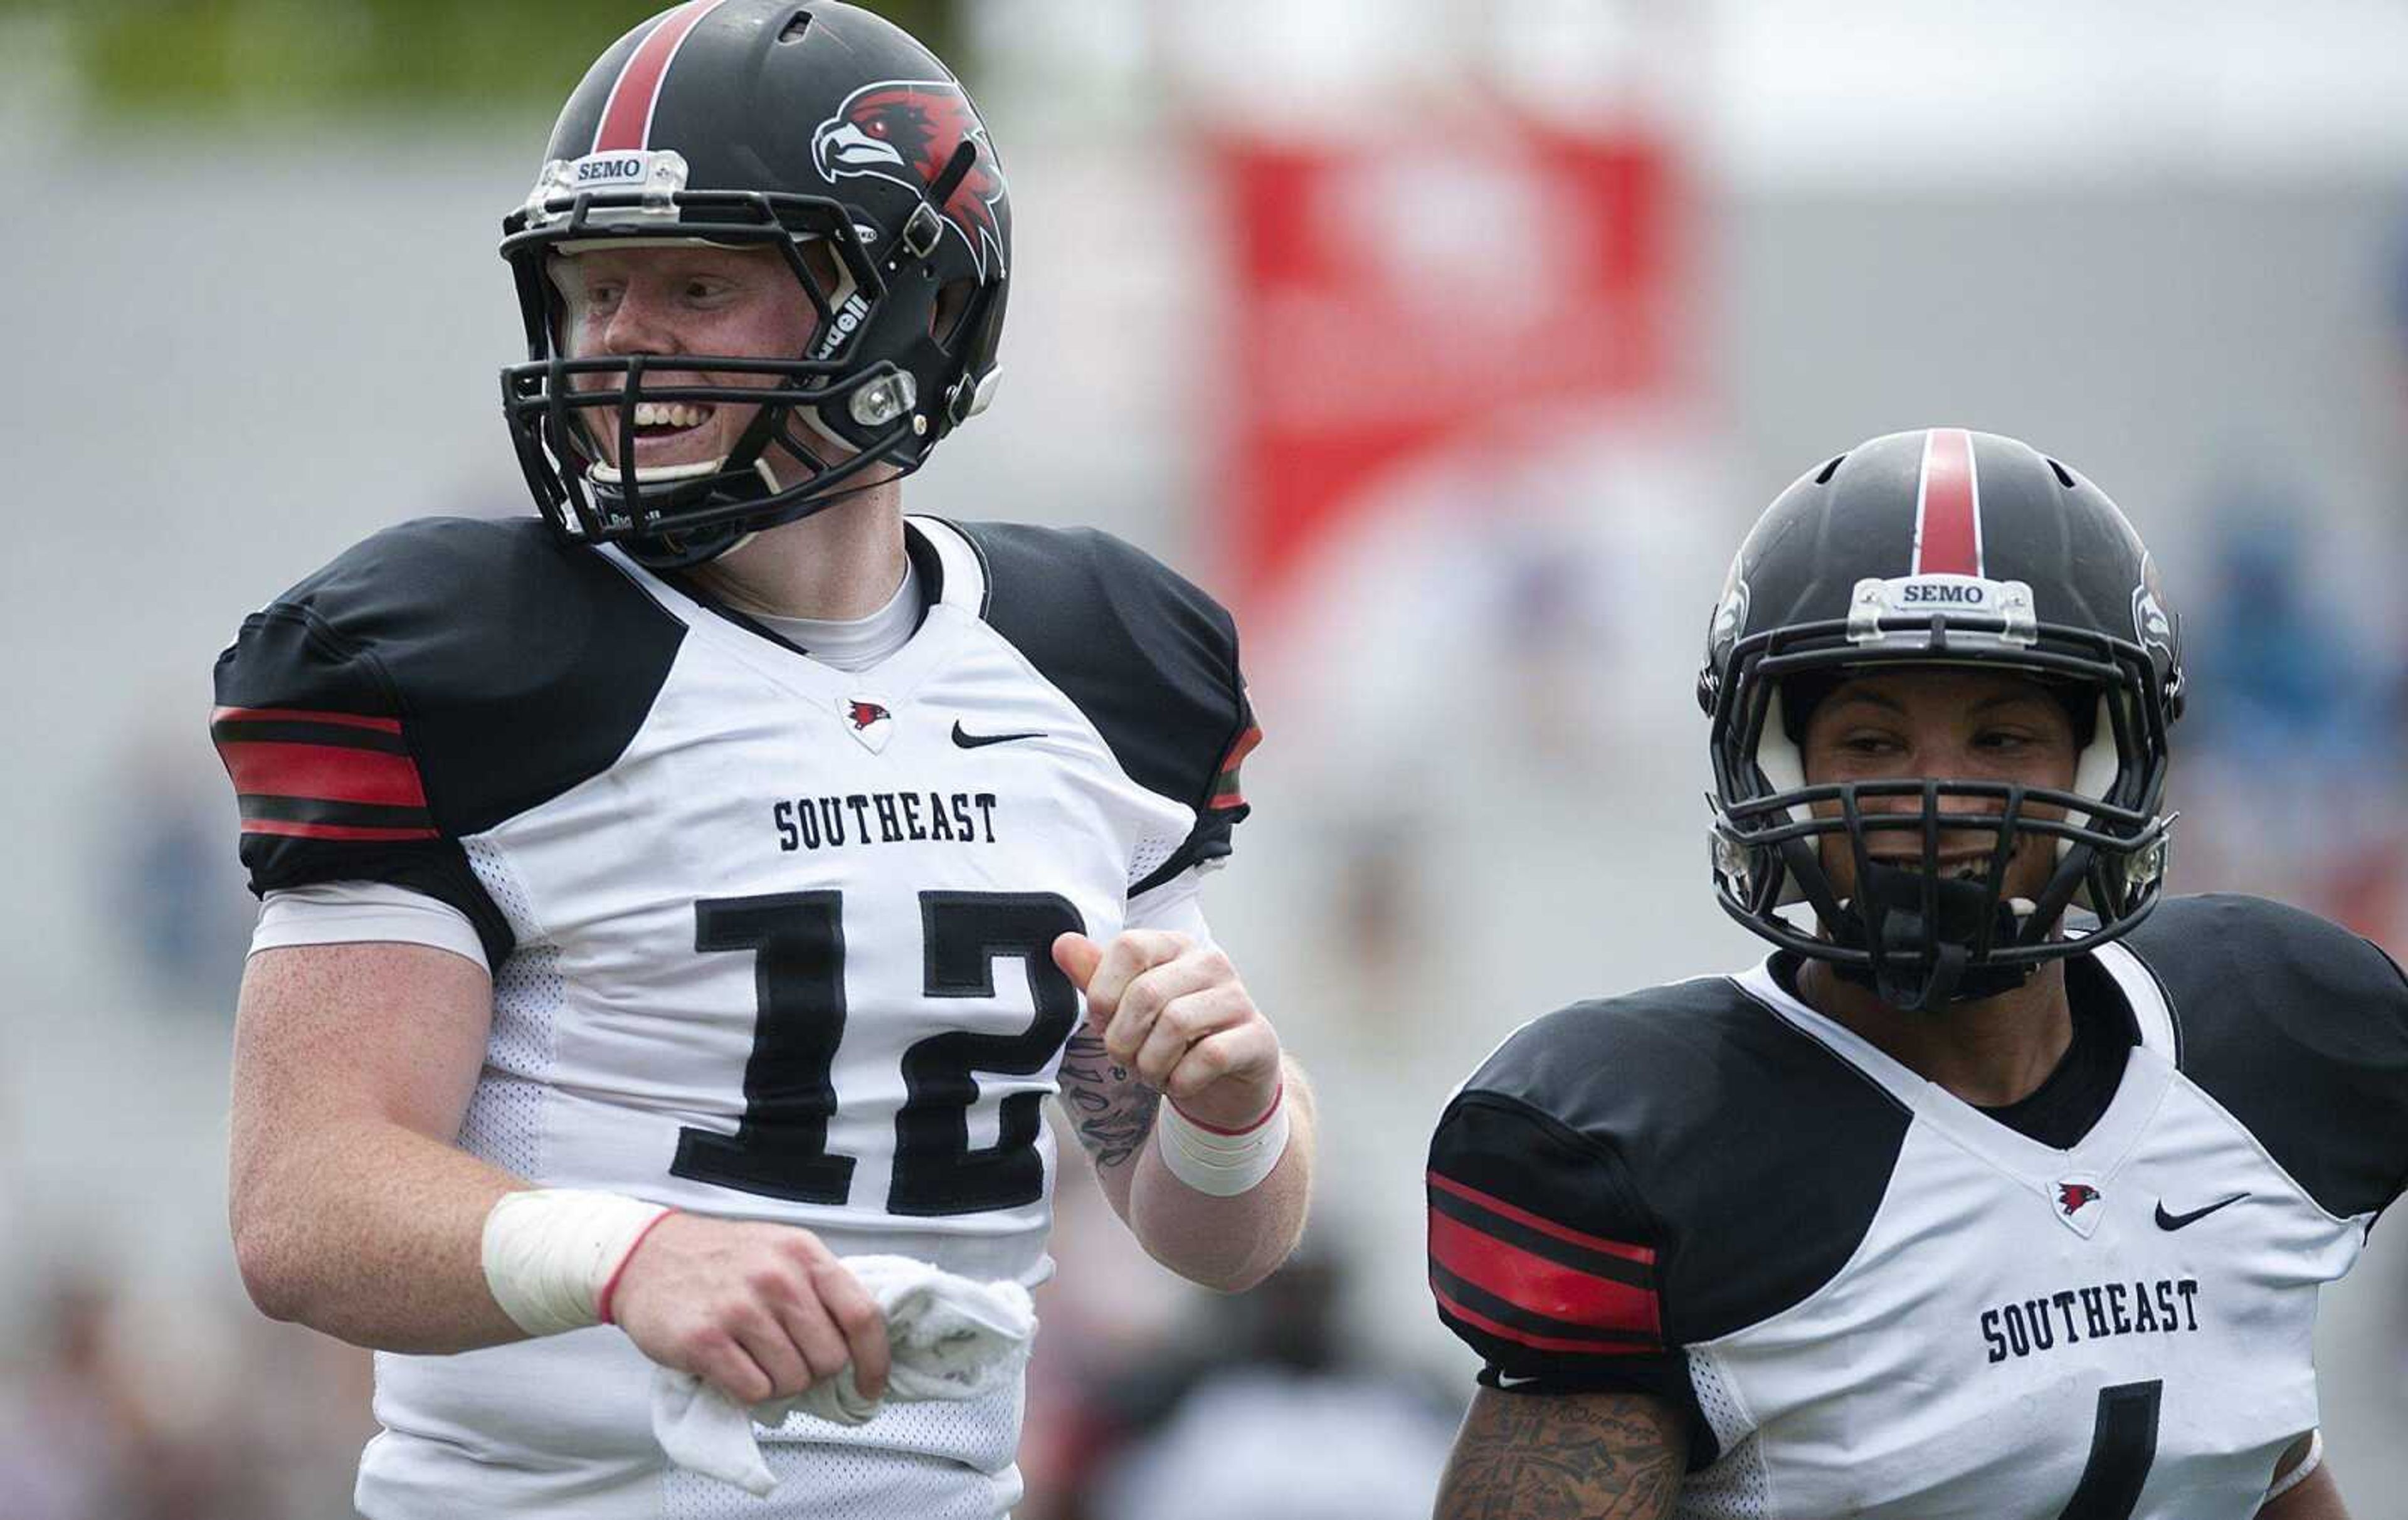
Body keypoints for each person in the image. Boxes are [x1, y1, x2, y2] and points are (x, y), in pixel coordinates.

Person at [209, 4, 1314, 1516]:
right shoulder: (467, 658)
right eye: (595, 287)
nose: (622, 340)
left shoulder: (1100, 658)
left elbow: (1215, 1239)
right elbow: (305, 1201)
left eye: (698, 284)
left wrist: (1235, 1108)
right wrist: (627, 1258)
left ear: (907, 309)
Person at [1424, 428, 2399, 1519]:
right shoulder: (1655, 1145)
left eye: (2004, 739)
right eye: (1873, 744)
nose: (1939, 801)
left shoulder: (2276, 1036)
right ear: (1777, 766)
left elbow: (2257, 1451)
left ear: (2108, 763)